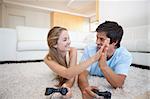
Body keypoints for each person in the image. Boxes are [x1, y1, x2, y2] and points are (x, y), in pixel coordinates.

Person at [44, 26, 109, 98]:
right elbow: (67, 74)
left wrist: (66, 86)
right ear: (54, 44)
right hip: (65, 72)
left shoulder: (72, 51)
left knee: (75, 73)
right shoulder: (48, 59)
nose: (69, 42)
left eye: (68, 38)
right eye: (65, 40)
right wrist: (94, 58)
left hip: (70, 73)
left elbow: (72, 75)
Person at [78, 21, 132, 99]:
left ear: (115, 42)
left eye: (101, 39)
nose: (97, 42)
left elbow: (119, 83)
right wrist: (86, 89)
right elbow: (82, 74)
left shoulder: (124, 55)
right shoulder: (89, 49)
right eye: (97, 38)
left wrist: (103, 66)